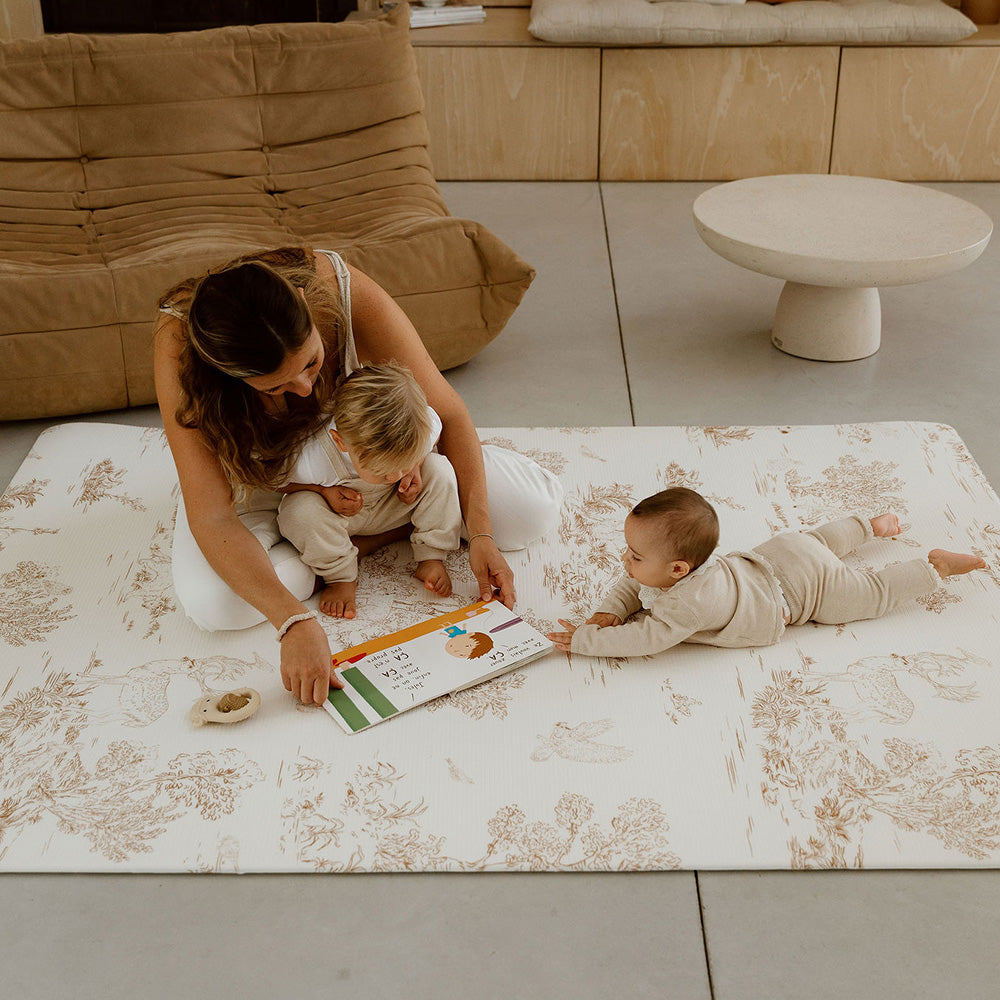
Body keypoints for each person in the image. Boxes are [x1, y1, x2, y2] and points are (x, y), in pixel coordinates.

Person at [154, 247, 562, 706]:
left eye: (311, 363)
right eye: (276, 387)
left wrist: (481, 528)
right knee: (216, 605)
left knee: (533, 513)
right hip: (274, 483)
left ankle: (347, 543)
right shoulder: (181, 344)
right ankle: (354, 540)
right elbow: (211, 515)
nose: (306, 390)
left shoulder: (341, 289)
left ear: (307, 304)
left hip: (382, 458)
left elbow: (445, 410)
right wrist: (293, 622)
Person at [547, 486, 986, 657]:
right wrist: (609, 611)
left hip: (801, 591)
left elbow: (646, 638)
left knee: (868, 592)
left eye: (635, 555)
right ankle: (871, 526)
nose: (626, 561)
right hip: (780, 553)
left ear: (679, 569)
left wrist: (589, 639)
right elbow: (631, 585)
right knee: (820, 539)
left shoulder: (687, 603)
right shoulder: (673, 570)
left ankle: (933, 567)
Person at [275, 361, 462, 619]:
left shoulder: (419, 422)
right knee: (299, 511)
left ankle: (431, 555)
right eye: (383, 471)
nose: (394, 475)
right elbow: (277, 481)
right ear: (342, 442)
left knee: (439, 469)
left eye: (401, 464)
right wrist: (322, 491)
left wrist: (415, 467)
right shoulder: (315, 456)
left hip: (394, 503)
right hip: (343, 517)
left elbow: (436, 431)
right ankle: (340, 578)